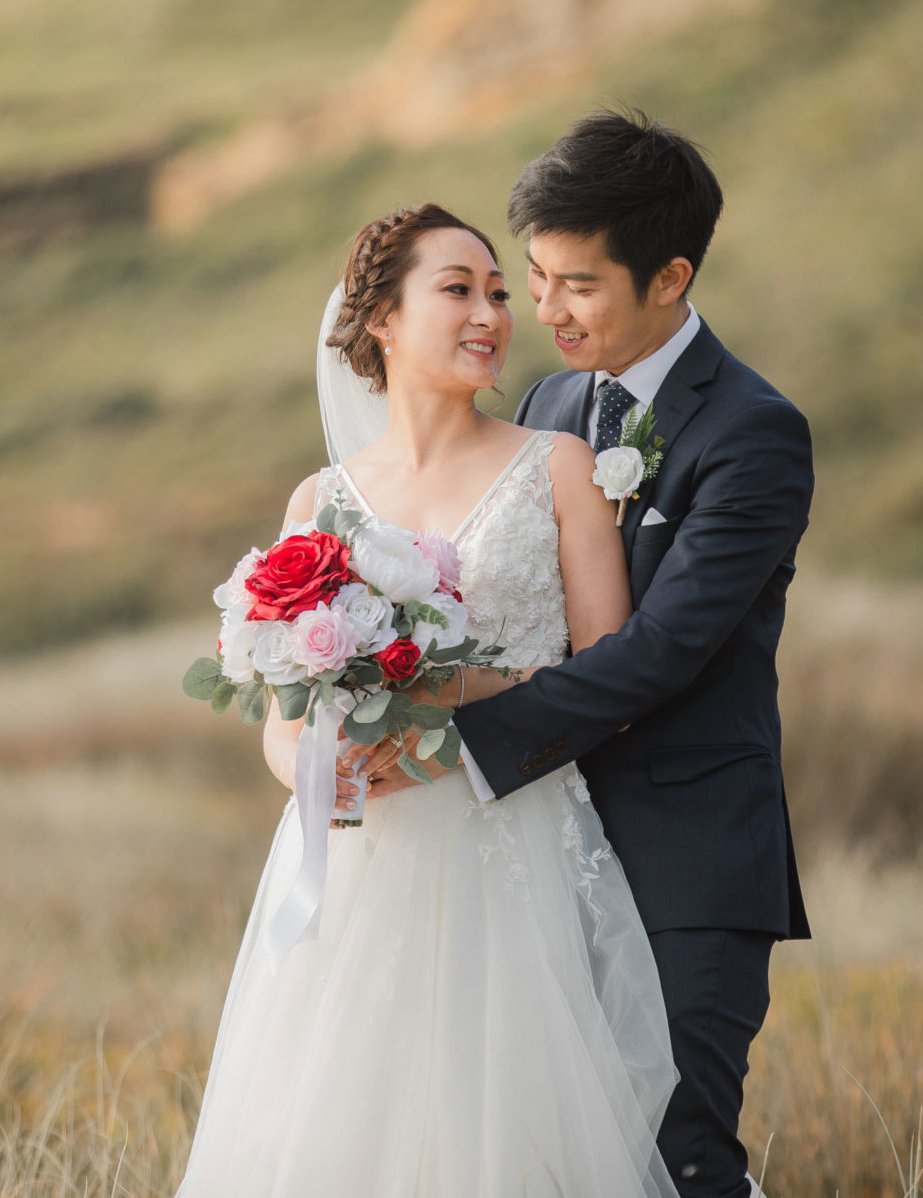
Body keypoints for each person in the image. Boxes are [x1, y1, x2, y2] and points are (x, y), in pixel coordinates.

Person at [176, 201, 681, 1197]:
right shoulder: (317, 503)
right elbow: (284, 719)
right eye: (457, 289)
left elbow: (610, 674)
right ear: (382, 320)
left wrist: (440, 685)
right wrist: (320, 774)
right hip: (358, 856)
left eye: (498, 293)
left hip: (510, 841)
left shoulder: (557, 467)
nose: (491, 312)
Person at [370, 109, 814, 1198]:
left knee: (678, 1155)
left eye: (577, 284)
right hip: (529, 858)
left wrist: (452, 745)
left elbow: (659, 652)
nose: (544, 311)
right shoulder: (548, 406)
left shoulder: (752, 432)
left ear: (668, 277)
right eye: (534, 278)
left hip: (683, 856)